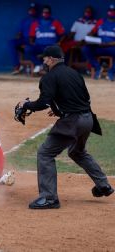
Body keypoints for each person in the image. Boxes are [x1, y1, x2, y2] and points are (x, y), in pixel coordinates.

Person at [16, 45, 114, 209]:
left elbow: (43, 102)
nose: (44, 61)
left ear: (52, 59)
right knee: (77, 152)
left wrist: (27, 104)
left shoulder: (49, 77)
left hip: (73, 121)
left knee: (45, 153)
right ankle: (103, 185)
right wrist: (59, 110)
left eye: (45, 58)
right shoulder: (74, 74)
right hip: (88, 119)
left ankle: (49, 198)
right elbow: (84, 98)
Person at [25, 5, 65, 74]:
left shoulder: (56, 22)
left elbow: (63, 35)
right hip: (39, 45)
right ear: (41, 13)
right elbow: (31, 36)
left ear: (50, 13)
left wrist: (59, 42)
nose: (45, 14)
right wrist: (32, 42)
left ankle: (55, 71)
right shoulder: (36, 23)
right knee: (28, 49)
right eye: (44, 12)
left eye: (47, 12)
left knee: (59, 53)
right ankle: (38, 64)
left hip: (51, 46)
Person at [83, 4, 115, 81]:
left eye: (113, 11)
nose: (111, 12)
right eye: (110, 11)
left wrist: (107, 44)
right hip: (99, 47)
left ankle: (111, 72)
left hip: (112, 48)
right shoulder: (101, 21)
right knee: (85, 49)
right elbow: (93, 32)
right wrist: (89, 36)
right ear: (108, 12)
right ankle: (98, 67)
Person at [9, 3, 38, 75]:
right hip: (23, 39)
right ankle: (17, 65)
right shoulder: (25, 20)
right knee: (11, 43)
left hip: (32, 40)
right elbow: (20, 32)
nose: (32, 11)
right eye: (30, 10)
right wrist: (18, 36)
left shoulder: (38, 21)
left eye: (33, 10)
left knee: (28, 49)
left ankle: (32, 67)